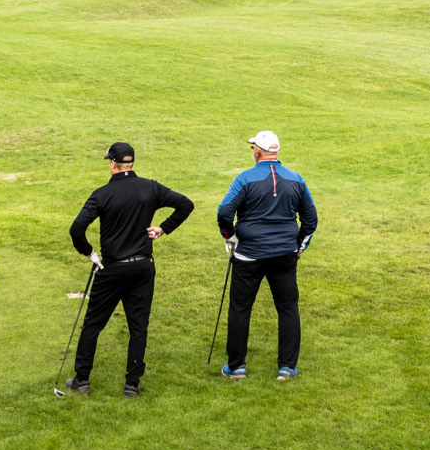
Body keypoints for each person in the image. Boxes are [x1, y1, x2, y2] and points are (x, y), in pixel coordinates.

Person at [66, 141, 195, 398]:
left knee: (93, 324)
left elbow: (76, 229)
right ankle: (132, 385)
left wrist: (91, 254)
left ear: (112, 163)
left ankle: (82, 381)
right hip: (142, 267)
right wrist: (163, 228)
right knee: (138, 326)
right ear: (131, 163)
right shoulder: (150, 187)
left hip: (112, 268)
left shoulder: (102, 194)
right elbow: (185, 204)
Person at [216, 129, 318, 381]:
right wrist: (299, 247)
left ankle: (236, 366)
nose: (253, 151)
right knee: (287, 308)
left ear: (259, 152)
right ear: (277, 151)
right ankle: (287, 367)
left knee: (240, 308)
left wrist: (230, 238)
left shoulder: (245, 179)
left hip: (249, 254)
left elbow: (225, 212)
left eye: (253, 148)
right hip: (284, 254)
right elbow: (310, 218)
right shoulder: (296, 179)